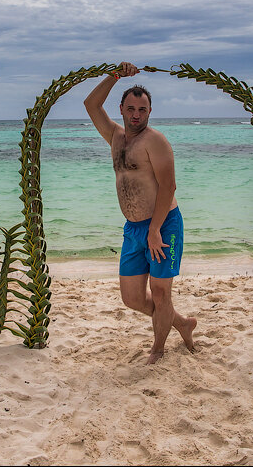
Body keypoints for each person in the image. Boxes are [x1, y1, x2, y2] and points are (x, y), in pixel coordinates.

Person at [83, 61, 197, 364]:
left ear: (149, 112)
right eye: (131, 108)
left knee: (160, 293)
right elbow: (91, 104)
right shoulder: (115, 137)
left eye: (142, 110)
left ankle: (158, 350)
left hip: (163, 225)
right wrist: (115, 74)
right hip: (133, 228)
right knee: (132, 298)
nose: (136, 115)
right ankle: (182, 323)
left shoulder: (155, 141)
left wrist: (155, 229)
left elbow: (168, 187)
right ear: (121, 108)